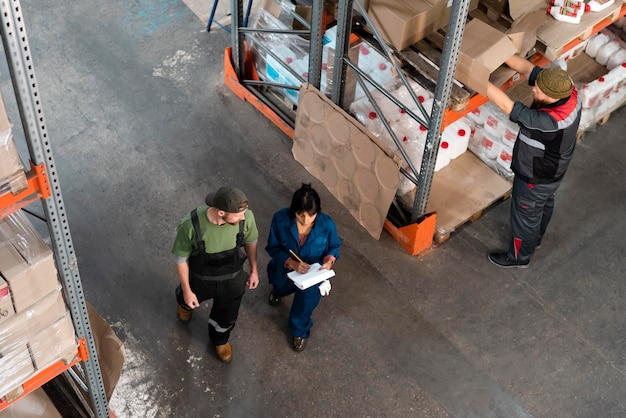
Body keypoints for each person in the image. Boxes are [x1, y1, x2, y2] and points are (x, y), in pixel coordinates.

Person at [485, 54, 581, 268]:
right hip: (554, 168)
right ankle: (535, 239)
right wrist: (503, 50)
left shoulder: (549, 122)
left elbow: (505, 105)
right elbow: (529, 69)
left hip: (535, 176)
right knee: (543, 203)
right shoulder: (567, 89)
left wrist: (474, 75)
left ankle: (519, 257)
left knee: (525, 216)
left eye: (537, 90)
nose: (533, 89)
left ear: (551, 96)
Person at [172, 186, 259, 362]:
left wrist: (254, 270)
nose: (244, 217)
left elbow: (251, 241)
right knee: (187, 298)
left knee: (227, 314)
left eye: (244, 212)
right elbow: (181, 259)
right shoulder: (191, 225)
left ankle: (219, 339)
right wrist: (187, 291)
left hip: (233, 279)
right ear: (221, 213)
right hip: (200, 279)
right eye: (238, 214)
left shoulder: (245, 218)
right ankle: (185, 305)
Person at [265, 183, 342, 351]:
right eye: (301, 215)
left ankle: (299, 330)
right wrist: (291, 263)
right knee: (279, 285)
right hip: (286, 268)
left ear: (318, 212)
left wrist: (329, 260)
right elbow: (273, 248)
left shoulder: (327, 225)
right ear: (293, 211)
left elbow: (334, 246)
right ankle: (278, 292)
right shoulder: (280, 220)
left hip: (313, 274)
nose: (306, 220)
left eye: (311, 215)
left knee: (306, 302)